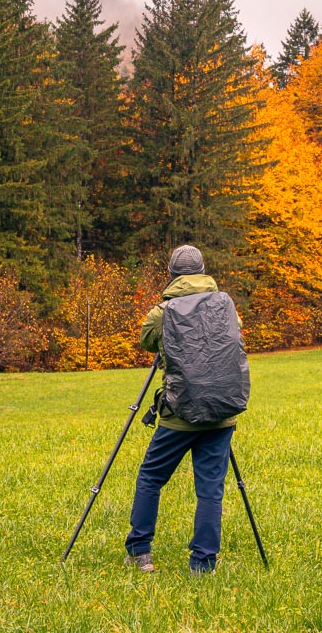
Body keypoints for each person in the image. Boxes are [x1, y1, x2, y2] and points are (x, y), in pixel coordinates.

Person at [124, 244, 240, 576]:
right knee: (210, 489)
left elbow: (147, 342)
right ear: (204, 271)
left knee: (150, 477)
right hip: (221, 412)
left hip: (179, 416)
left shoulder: (163, 312)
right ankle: (203, 565)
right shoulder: (226, 306)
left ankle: (140, 553)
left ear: (173, 275)